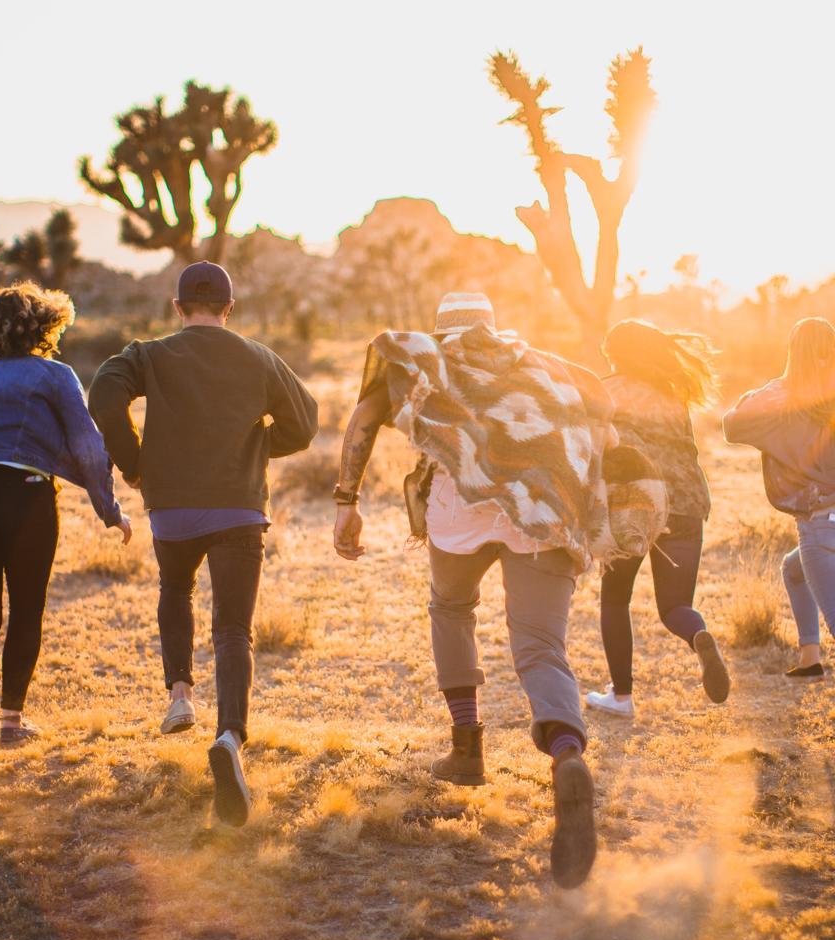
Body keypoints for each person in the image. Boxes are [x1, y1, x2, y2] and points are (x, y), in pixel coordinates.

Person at [334, 292, 619, 889]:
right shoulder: (540, 365)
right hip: (539, 514)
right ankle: (566, 752)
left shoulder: (427, 360)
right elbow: (605, 419)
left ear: (441, 330)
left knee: (452, 609)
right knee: (541, 646)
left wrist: (346, 499)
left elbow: (363, 418)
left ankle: (467, 750)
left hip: (457, 516)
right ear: (493, 327)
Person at [89, 261, 318, 827]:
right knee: (234, 628)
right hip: (239, 507)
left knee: (175, 589)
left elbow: (104, 394)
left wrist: (135, 462)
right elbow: (306, 422)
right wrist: (255, 446)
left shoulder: (149, 355)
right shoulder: (259, 357)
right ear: (229, 308)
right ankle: (230, 737)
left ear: (178, 307)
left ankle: (180, 698)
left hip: (172, 509)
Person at [0, 282, 131, 746]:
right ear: (45, 327)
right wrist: (110, 510)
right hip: (26, 492)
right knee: (26, 610)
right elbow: (87, 445)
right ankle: (10, 723)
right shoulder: (56, 375)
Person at [585, 319, 731, 718]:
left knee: (615, 599)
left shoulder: (607, 390)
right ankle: (697, 634)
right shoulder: (673, 393)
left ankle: (621, 697)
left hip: (634, 505)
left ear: (616, 354)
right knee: (675, 606)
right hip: (687, 501)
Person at [724, 317, 835, 681]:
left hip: (820, 523)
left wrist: (763, 389)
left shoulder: (782, 395)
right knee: (793, 569)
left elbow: (732, 424)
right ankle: (809, 658)